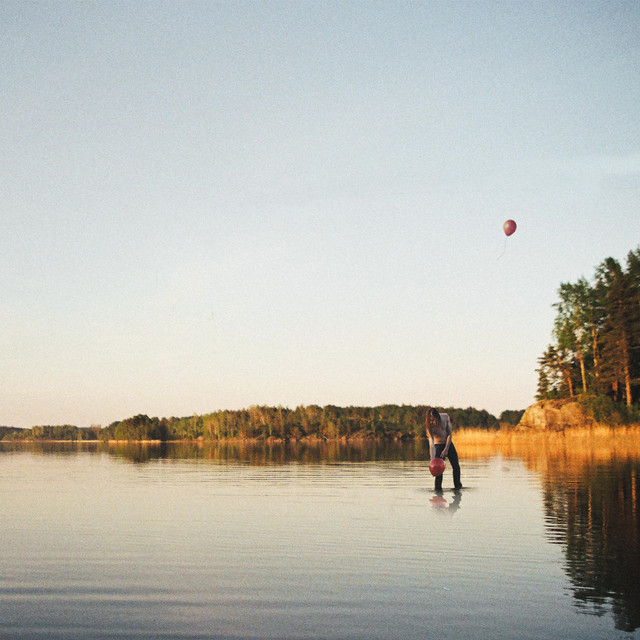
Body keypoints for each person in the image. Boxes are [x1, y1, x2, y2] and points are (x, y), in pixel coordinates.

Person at [426, 407, 462, 491]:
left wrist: (446, 449)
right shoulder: (429, 427)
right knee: (438, 469)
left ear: (437, 417)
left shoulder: (445, 417)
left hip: (448, 444)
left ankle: (457, 487)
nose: (433, 422)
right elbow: (431, 443)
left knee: (456, 466)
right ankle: (438, 490)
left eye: (434, 420)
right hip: (438, 445)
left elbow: (449, 434)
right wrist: (432, 461)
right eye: (431, 420)